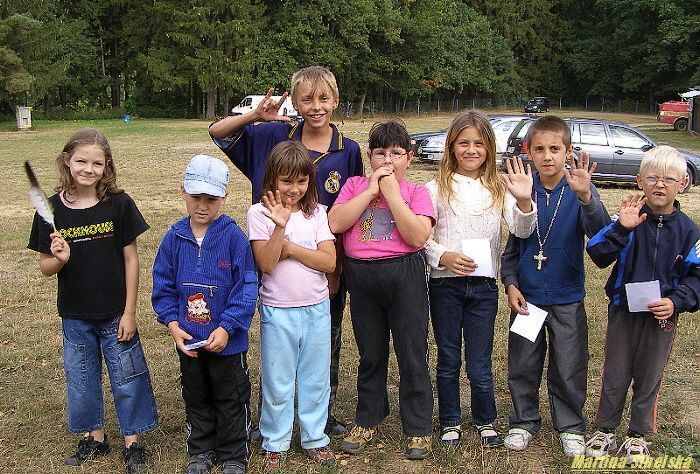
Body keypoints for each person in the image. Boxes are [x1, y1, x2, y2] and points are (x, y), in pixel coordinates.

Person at [209, 65, 363, 437]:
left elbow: (351, 210)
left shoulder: (349, 151)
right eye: (306, 99)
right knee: (278, 344)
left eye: (323, 98)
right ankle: (273, 420)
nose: (316, 106)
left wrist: (337, 270)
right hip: (273, 261)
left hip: (323, 264)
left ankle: (322, 415)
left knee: (325, 341)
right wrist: (253, 116)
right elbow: (217, 133)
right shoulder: (273, 134)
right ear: (294, 102)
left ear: (336, 100)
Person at [27, 128, 158, 473]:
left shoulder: (119, 204)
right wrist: (59, 259)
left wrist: (130, 312)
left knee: (128, 377)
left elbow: (131, 259)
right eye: (81, 161)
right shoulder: (51, 211)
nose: (88, 169)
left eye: (97, 163)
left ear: (107, 165)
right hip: (75, 314)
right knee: (82, 378)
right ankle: (94, 437)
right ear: (67, 161)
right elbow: (45, 267)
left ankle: (133, 442)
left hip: (115, 312)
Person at [425, 110, 536, 448]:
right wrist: (442, 255)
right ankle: (450, 420)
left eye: (478, 144)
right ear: (451, 146)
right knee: (448, 356)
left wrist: (524, 200)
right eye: (463, 143)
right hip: (445, 284)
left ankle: (485, 419)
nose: (471, 150)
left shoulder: (498, 188)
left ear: (489, 147)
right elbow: (421, 237)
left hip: (484, 286)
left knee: (479, 360)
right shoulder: (435, 188)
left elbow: (521, 230)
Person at [500, 115, 610, 456]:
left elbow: (604, 240)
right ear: (529, 151)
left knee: (569, 364)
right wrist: (511, 282)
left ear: (567, 151)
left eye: (555, 149)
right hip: (528, 298)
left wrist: (587, 197)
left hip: (567, 296)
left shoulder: (579, 188)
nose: (547, 156)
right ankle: (524, 420)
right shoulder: (523, 187)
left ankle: (570, 425)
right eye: (539, 149)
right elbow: (512, 247)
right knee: (523, 363)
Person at [584, 145, 700, 464]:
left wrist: (676, 301)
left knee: (650, 374)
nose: (660, 184)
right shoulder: (629, 218)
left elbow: (697, 277)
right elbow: (597, 253)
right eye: (652, 178)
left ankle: (638, 434)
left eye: (669, 179)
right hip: (624, 310)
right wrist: (622, 228)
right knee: (616, 370)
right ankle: (605, 428)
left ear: (683, 184)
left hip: (662, 316)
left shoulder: (690, 231)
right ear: (639, 181)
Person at [328, 120, 435, 460]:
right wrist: (370, 192)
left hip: (404, 274)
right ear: (369, 157)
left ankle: (418, 426)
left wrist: (391, 194)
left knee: (411, 351)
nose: (388, 161)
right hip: (361, 277)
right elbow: (336, 222)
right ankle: (368, 417)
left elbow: (417, 236)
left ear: (410, 158)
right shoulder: (354, 185)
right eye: (380, 154)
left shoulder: (416, 192)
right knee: (371, 353)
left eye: (397, 154)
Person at [152, 155, 258, 474]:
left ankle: (234, 454)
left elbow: (246, 287)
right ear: (183, 192)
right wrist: (173, 324)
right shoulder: (174, 238)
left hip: (228, 343)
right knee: (196, 396)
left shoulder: (234, 238)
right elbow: (163, 285)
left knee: (231, 397)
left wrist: (227, 327)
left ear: (224, 197)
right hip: (190, 343)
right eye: (196, 196)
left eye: (211, 199)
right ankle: (200, 449)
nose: (202, 206)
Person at [247, 141, 337, 471]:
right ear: (272, 178)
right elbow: (267, 263)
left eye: (301, 181)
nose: (294, 189)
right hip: (278, 310)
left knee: (315, 378)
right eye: (286, 181)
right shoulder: (259, 214)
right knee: (278, 379)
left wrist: (292, 249)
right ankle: (275, 440)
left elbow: (328, 262)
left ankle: (314, 437)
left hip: (316, 309)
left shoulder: (317, 213)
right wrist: (280, 227)